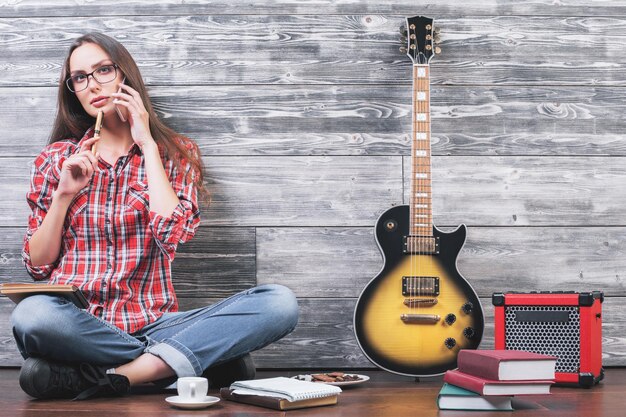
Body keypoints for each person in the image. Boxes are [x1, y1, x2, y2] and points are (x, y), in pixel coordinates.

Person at [10, 32, 299, 400]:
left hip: (155, 323)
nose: (92, 85)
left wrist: (147, 144)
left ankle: (116, 375)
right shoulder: (55, 159)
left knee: (278, 303)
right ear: (73, 89)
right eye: (80, 77)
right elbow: (38, 266)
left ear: (125, 76)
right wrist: (64, 195)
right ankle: (185, 364)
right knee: (33, 315)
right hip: (80, 326)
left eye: (103, 71)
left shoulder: (174, 154)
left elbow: (172, 233)